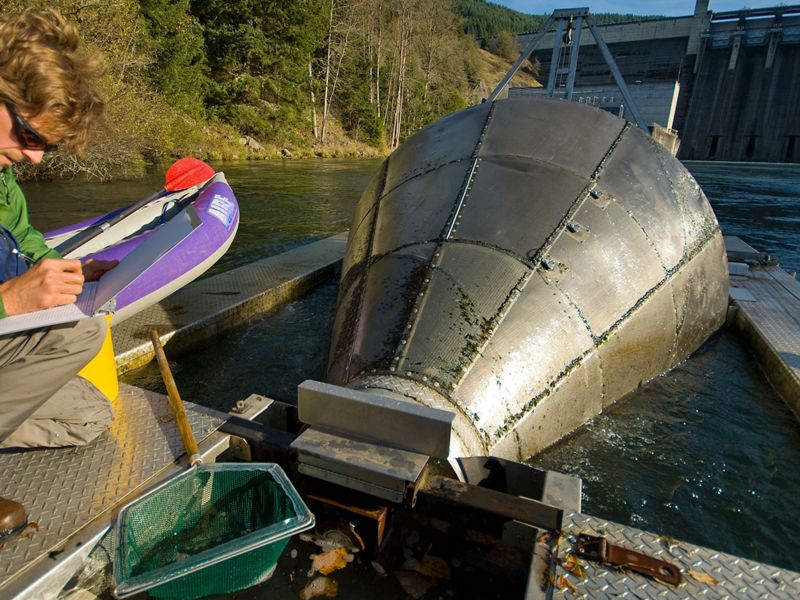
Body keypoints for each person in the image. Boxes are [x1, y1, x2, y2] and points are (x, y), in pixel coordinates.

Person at [0, 8, 116, 536]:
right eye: (29, 136)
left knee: (88, 416)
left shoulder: (3, 183)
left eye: (45, 146)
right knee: (81, 333)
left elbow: (25, 248)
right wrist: (12, 302)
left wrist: (77, 270)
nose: (34, 159)